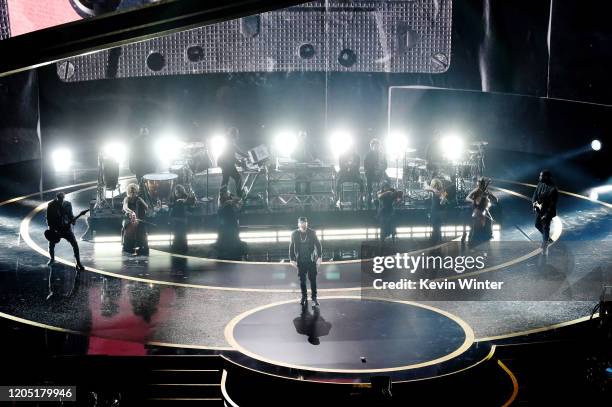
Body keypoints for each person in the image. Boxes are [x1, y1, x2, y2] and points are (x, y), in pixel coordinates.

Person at [46, 192, 85, 270]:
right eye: (59, 199)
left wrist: (73, 220)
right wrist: (52, 230)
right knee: (51, 244)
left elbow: (70, 215)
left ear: (63, 198)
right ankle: (52, 259)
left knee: (75, 244)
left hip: (66, 228)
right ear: (57, 198)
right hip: (55, 228)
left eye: (62, 199)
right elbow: (48, 218)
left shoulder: (67, 204)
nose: (61, 200)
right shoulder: (51, 205)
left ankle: (78, 262)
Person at [289, 217, 322, 308]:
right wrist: (291, 259)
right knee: (302, 281)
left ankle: (314, 298)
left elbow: (318, 245)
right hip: (300, 261)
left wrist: (319, 257)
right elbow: (291, 246)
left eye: (305, 222)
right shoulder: (294, 234)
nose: (304, 224)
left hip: (311, 261)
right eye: (302, 223)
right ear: (299, 224)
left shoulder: (312, 233)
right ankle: (304, 297)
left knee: (313, 280)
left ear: (307, 223)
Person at [532, 170, 558, 255]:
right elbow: (535, 195)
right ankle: (547, 239)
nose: (539, 178)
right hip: (539, 209)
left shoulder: (553, 189)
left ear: (546, 177)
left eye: (541, 176)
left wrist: (547, 215)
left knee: (546, 227)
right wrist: (534, 203)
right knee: (537, 225)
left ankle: (545, 246)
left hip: (547, 211)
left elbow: (552, 204)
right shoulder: (540, 184)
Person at [215, 190, 247, 260]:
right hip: (228, 231)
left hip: (230, 230)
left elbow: (239, 205)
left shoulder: (226, 206)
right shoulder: (225, 206)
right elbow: (238, 204)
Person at [217, 127, 248, 197]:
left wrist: (246, 155)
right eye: (236, 134)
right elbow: (230, 156)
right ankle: (239, 194)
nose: (237, 135)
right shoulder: (229, 141)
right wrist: (239, 163)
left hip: (224, 162)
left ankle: (222, 194)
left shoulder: (229, 140)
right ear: (233, 134)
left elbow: (237, 150)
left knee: (225, 178)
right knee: (238, 177)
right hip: (226, 163)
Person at [466, 177, 498, 245]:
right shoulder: (476, 190)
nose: (482, 186)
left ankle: (489, 234)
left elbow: (496, 199)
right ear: (479, 184)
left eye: (483, 184)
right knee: (474, 222)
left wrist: (489, 195)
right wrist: (475, 200)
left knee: (489, 220)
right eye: (480, 184)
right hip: (477, 209)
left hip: (484, 209)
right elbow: (467, 198)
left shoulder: (487, 191)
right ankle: (471, 236)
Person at [122, 183, 149, 256]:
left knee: (142, 229)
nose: (132, 193)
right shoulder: (126, 199)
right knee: (127, 226)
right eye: (131, 192)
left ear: (136, 192)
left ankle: (142, 244)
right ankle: (127, 245)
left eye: (134, 192)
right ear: (128, 192)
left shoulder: (139, 199)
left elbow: (147, 207)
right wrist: (132, 212)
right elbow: (125, 207)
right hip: (129, 219)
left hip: (139, 218)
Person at [364, 138, 388, 209]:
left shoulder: (382, 154)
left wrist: (381, 169)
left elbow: (386, 164)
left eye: (378, 146)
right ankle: (369, 195)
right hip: (371, 172)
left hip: (380, 172)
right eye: (375, 146)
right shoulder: (368, 155)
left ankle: (385, 196)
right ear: (371, 146)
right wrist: (373, 169)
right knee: (369, 178)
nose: (377, 147)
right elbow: (366, 165)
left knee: (388, 180)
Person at [170, 185, 191, 253]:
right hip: (178, 221)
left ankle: (180, 249)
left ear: (181, 192)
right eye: (176, 191)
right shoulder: (177, 200)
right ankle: (179, 249)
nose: (176, 193)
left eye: (178, 191)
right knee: (178, 236)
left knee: (181, 236)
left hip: (180, 221)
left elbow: (189, 201)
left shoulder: (182, 200)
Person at [426, 177, 448, 242]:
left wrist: (443, 199)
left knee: (436, 227)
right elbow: (426, 188)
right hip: (437, 212)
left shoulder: (442, 191)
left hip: (436, 212)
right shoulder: (435, 191)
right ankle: (437, 240)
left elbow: (443, 202)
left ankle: (436, 241)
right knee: (437, 228)